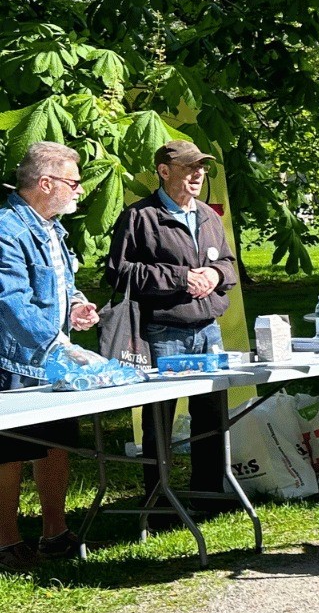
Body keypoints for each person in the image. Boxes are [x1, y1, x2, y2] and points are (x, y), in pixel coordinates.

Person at [106, 139, 239, 504]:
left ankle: (209, 493)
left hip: (208, 330)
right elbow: (119, 273)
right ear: (164, 172)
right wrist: (181, 278)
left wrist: (214, 275)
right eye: (189, 167)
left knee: (211, 417)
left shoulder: (208, 216)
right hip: (163, 330)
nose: (198, 174)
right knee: (160, 422)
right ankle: (159, 500)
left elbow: (228, 264)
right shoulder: (139, 217)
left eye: (202, 167)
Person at [0, 143, 100, 572]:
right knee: (9, 454)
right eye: (74, 183)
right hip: (12, 364)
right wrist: (60, 344)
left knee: (55, 445)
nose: (79, 191)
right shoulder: (7, 229)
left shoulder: (52, 228)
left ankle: (54, 533)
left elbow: (57, 286)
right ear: (46, 184)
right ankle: (6, 543)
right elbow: (10, 303)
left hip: (48, 361)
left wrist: (74, 307)